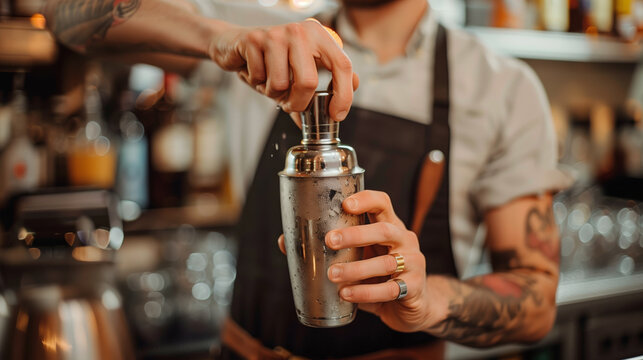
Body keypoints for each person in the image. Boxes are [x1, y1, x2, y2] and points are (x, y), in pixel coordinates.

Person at [44, 0, 572, 358]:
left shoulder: (501, 88)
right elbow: (65, 13)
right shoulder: (267, 35)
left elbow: (536, 302)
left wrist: (427, 302)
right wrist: (220, 39)